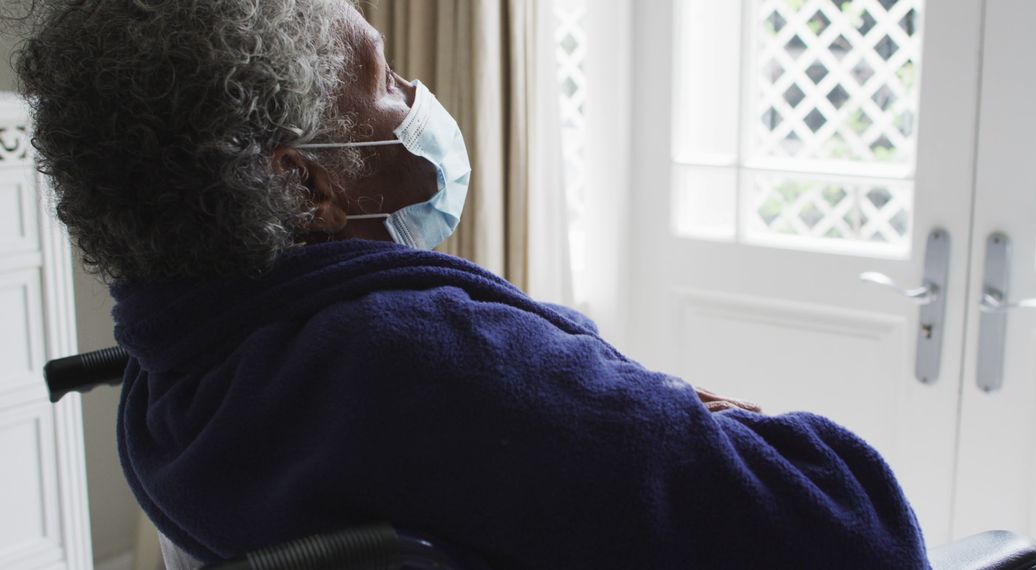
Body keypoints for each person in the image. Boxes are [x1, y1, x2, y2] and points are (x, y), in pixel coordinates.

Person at [12, 0, 930, 567]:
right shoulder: (429, 366)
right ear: (306, 185)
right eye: (382, 79)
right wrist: (706, 411)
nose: (415, 92)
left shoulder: (180, 380)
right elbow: (857, 532)